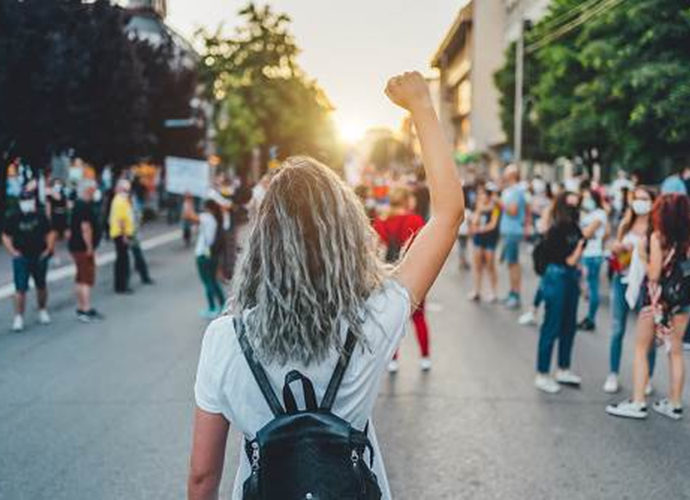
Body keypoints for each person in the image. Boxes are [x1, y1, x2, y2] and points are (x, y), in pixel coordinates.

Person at [188, 71, 465, 500]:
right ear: (346, 235)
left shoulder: (225, 339)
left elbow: (203, 477)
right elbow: (447, 214)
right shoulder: (371, 319)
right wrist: (422, 108)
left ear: (262, 242)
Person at [607, 194, 690, 420]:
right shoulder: (687, 239)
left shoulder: (657, 237)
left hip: (656, 301)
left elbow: (654, 274)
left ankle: (638, 402)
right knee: (675, 351)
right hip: (682, 301)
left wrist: (643, 257)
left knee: (641, 348)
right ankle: (674, 404)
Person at [602, 187, 657, 394]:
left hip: (645, 285)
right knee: (617, 329)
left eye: (645, 199)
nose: (640, 202)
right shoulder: (626, 224)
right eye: (637, 198)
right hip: (621, 280)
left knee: (648, 335)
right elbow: (614, 249)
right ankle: (613, 374)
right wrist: (616, 249)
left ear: (653, 202)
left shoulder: (655, 228)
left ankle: (648, 377)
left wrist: (636, 252)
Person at [373, 186, 431, 372]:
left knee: (392, 320)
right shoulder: (415, 220)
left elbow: (374, 251)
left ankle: (393, 360)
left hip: (390, 276)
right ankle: (425, 357)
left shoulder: (381, 222)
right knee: (419, 318)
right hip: (414, 274)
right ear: (407, 200)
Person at [534, 191, 585, 393]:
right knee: (552, 325)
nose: (575, 208)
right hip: (557, 277)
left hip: (569, 277)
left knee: (569, 325)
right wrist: (579, 250)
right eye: (571, 204)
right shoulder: (556, 229)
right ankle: (542, 373)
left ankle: (563, 369)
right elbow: (570, 259)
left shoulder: (573, 226)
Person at [2, 190, 56, 331]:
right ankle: (19, 317)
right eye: (25, 200)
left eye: (30, 200)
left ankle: (42, 310)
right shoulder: (14, 216)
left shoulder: (40, 215)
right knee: (20, 288)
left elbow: (50, 232)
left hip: (39, 255)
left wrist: (48, 249)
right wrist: (13, 251)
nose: (27, 203)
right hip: (22, 256)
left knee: (41, 285)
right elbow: (6, 236)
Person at [68, 181, 104, 322]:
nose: (94, 192)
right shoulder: (84, 206)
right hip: (82, 248)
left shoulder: (78, 204)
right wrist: (89, 247)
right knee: (86, 278)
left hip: (76, 246)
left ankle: (81, 307)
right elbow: (86, 228)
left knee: (80, 277)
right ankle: (86, 309)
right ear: (88, 190)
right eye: (93, 190)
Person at [577, 182, 608, 331]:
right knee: (588, 286)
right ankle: (588, 317)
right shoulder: (588, 214)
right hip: (587, 253)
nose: (585, 200)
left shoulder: (599, 214)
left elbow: (586, 233)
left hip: (593, 254)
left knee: (592, 286)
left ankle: (591, 318)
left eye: (588, 198)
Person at [192, 199, 226, 319]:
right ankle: (223, 305)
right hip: (212, 254)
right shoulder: (216, 219)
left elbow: (188, 215)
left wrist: (188, 200)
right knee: (213, 281)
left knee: (208, 282)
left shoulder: (206, 218)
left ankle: (212, 308)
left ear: (208, 208)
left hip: (203, 254)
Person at [499, 164, 527, 309]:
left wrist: (500, 203)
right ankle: (512, 293)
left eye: (506, 171)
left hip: (513, 231)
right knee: (511, 264)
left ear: (512, 175)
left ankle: (516, 295)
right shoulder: (509, 190)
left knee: (513, 263)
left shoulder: (517, 191)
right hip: (508, 231)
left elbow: (513, 211)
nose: (503, 174)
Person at [468, 182, 501, 302]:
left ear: (488, 195)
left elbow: (493, 224)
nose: (480, 196)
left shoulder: (495, 208)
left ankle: (493, 292)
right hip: (478, 239)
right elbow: (474, 221)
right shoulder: (479, 206)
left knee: (490, 265)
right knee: (477, 266)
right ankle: (477, 291)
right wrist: (479, 210)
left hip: (490, 239)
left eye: (482, 194)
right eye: (479, 194)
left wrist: (479, 229)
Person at [109, 179, 135, 294]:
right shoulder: (120, 201)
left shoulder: (120, 200)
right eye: (125, 189)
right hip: (121, 234)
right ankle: (122, 286)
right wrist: (124, 235)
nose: (127, 192)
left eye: (128, 190)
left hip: (120, 234)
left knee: (122, 259)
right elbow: (121, 220)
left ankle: (121, 285)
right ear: (119, 189)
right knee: (123, 261)